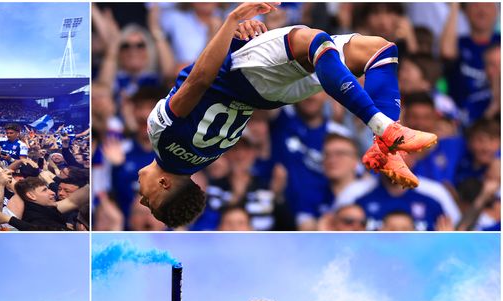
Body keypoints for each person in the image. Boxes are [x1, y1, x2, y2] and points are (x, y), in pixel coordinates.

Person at [137, 2, 438, 227]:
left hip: (270, 94)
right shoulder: (160, 134)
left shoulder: (202, 159)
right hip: (247, 75)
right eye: (149, 202)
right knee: (314, 41)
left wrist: (237, 40)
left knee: (379, 51)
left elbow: (209, 92)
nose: (141, 198)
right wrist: (231, 23)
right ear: (165, 185)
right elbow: (199, 81)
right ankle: (384, 128)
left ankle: (386, 147)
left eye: (144, 202)